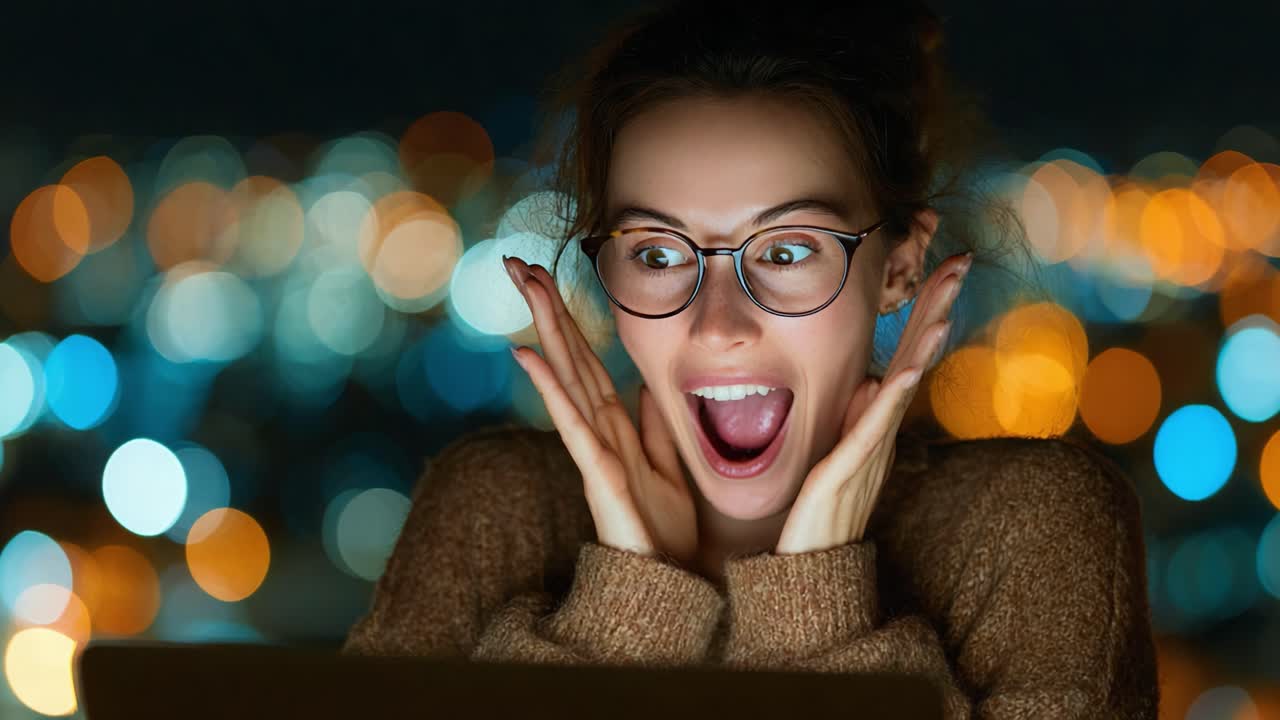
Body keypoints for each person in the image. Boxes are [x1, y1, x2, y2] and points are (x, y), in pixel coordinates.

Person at [344, 1, 1160, 717]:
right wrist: (620, 617)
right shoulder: (499, 511)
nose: (716, 323)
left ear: (901, 266)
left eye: (789, 248)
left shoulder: (1028, 530)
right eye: (659, 256)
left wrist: (817, 616)